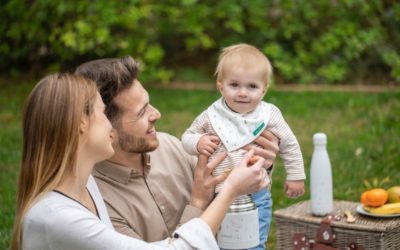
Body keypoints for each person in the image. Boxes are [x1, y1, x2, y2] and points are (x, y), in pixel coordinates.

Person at [10, 73, 269, 250]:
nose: (108, 125)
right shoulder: (58, 218)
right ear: (81, 123)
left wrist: (253, 160)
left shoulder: (82, 183)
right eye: (102, 113)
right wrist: (229, 191)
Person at [74, 56, 279, 242]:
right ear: (107, 127)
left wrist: (258, 165)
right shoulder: (95, 202)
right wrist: (197, 202)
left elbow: (235, 192)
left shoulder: (172, 146)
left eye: (149, 103)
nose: (156, 114)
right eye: (141, 112)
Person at [181, 43, 306, 249]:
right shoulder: (211, 116)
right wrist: (198, 142)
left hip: (255, 193)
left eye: (252, 87)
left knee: (253, 242)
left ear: (264, 89)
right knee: (218, 242)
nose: (242, 93)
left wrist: (295, 176)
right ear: (220, 86)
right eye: (234, 85)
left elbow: (289, 144)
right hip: (217, 195)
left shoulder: (269, 115)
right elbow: (187, 136)